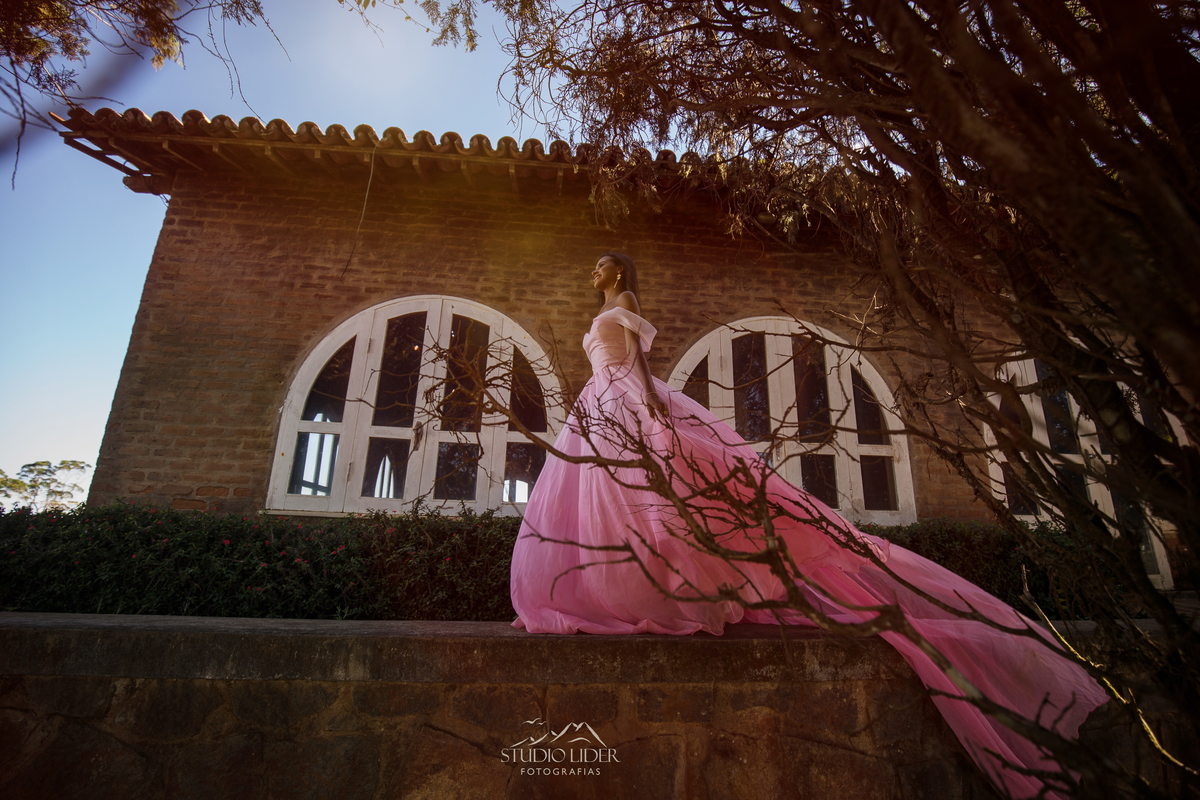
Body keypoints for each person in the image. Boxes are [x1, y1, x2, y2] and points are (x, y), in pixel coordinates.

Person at [509, 252, 1108, 798]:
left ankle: (684, 582)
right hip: (597, 406)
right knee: (605, 501)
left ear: (619, 273)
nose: (593, 273)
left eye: (603, 267)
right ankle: (621, 587)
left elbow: (638, 364)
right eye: (591, 268)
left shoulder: (627, 306)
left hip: (626, 400)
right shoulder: (599, 312)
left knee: (662, 496)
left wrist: (653, 413)